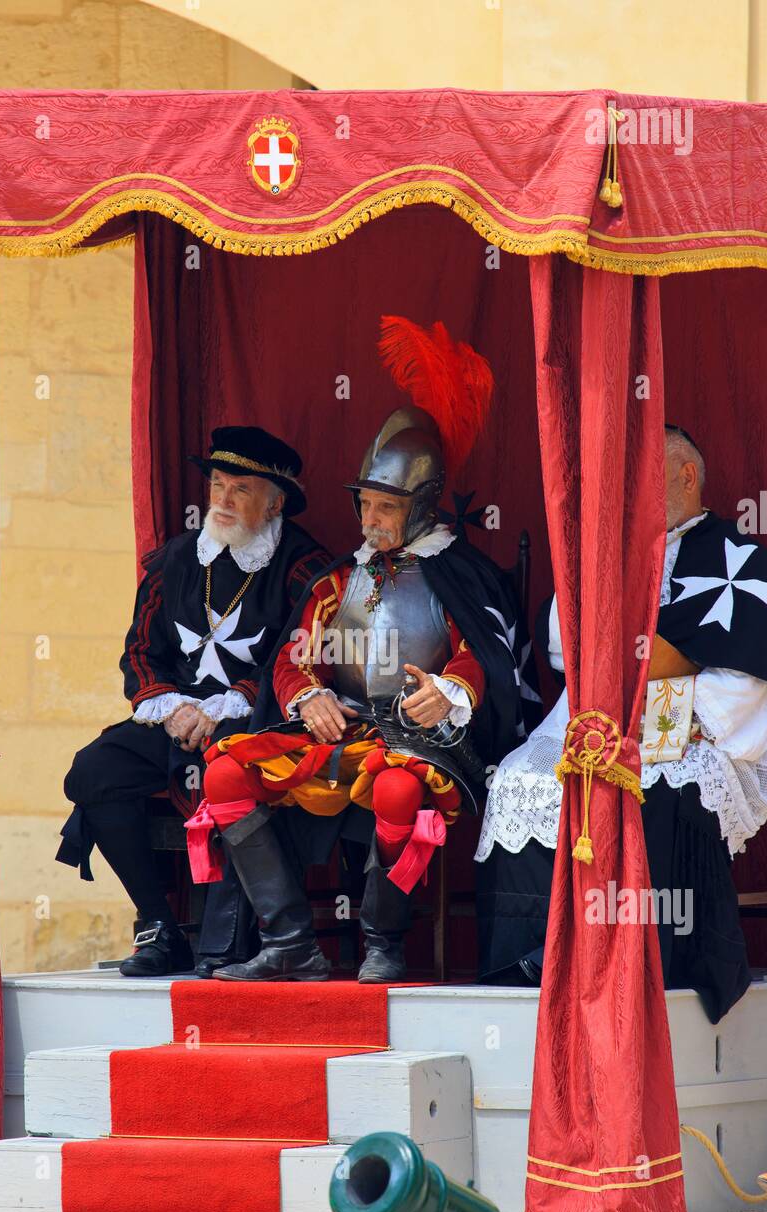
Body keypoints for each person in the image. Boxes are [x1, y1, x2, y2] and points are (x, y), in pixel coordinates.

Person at [187, 317, 535, 983]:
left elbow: (480, 656)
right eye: (365, 507)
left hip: (416, 742)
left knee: (402, 789)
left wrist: (452, 693)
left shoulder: (458, 576)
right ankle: (291, 941)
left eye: (384, 509)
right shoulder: (339, 579)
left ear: (425, 506)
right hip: (336, 735)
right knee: (225, 775)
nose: (369, 521)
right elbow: (293, 656)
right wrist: (309, 695)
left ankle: (384, 943)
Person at [476, 424, 767, 1023]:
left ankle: (645, 952)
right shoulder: (610, 550)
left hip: (690, 730)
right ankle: (537, 953)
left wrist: (672, 714)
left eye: (640, 479)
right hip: (596, 711)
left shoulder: (739, 562)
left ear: (685, 477)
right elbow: (564, 650)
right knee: (519, 780)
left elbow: (750, 677)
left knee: (656, 784)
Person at [55, 427, 329, 978]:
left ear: (274, 502)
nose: (223, 501)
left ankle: (235, 941)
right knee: (92, 771)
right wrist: (171, 705)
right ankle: (158, 925)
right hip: (173, 718)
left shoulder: (306, 569)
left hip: (256, 723)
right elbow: (139, 652)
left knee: (230, 778)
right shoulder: (177, 560)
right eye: (218, 485)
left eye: (241, 490)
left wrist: (226, 708)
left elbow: (302, 659)